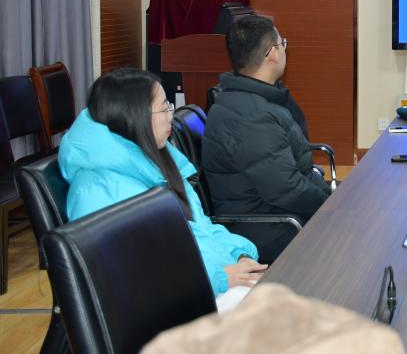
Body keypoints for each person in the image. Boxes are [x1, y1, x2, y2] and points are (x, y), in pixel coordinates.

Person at [58, 68, 265, 307]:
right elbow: (131, 271)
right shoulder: (95, 192)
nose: (170, 115)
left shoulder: (157, 161)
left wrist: (239, 254)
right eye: (164, 107)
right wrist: (218, 277)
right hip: (170, 304)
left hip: (206, 284)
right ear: (134, 116)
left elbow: (201, 227)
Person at [203, 15, 331, 262]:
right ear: (272, 53)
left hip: (276, 213)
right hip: (267, 226)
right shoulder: (251, 116)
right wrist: (330, 205)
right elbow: (287, 189)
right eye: (283, 43)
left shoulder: (254, 100)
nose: (284, 49)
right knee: (353, 233)